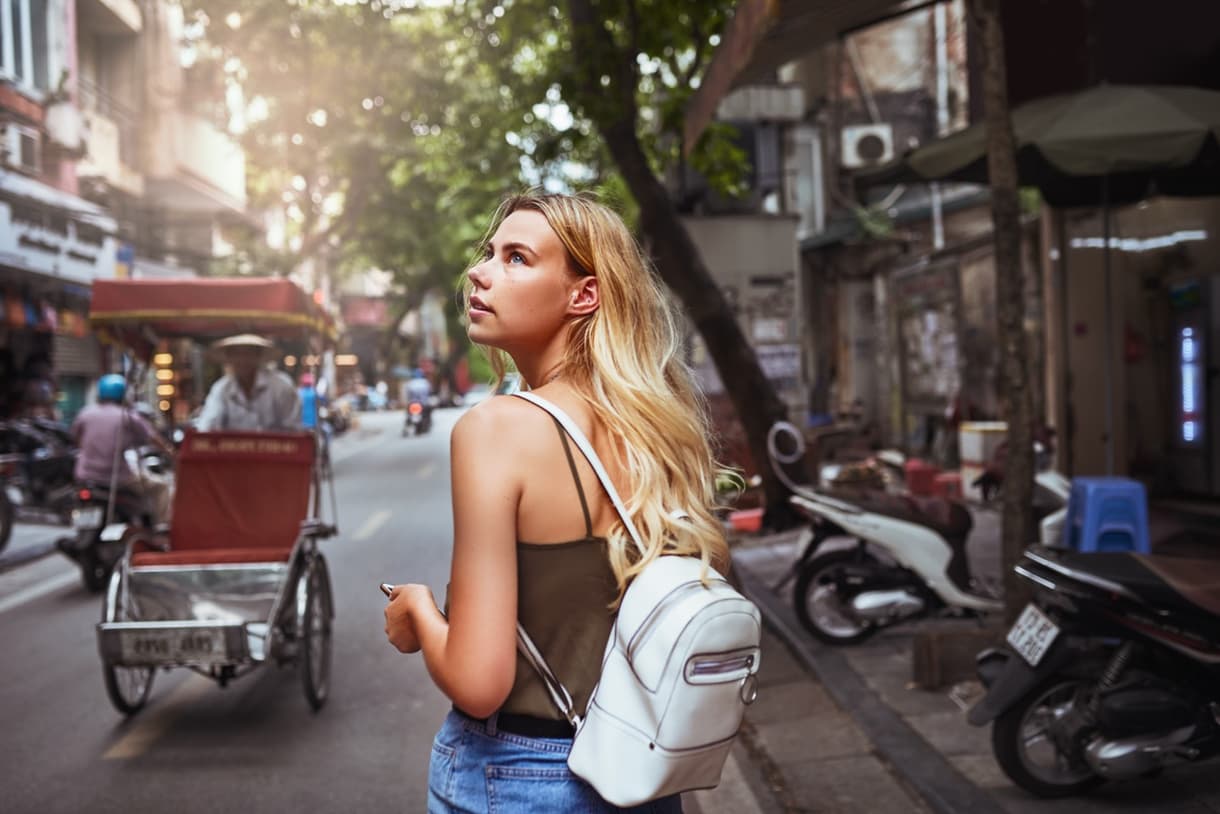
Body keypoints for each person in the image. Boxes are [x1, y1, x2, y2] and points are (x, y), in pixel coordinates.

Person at [383, 193, 729, 813]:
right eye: (488, 254)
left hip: (518, 778)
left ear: (584, 295)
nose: (480, 272)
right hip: (639, 776)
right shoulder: (657, 431)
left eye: (517, 258)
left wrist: (420, 614)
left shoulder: (495, 431)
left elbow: (479, 682)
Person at [70, 374, 174, 521]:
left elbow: (75, 438)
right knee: (161, 486)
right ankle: (162, 527)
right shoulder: (128, 416)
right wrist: (171, 452)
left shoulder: (86, 413)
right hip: (117, 478)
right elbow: (153, 438)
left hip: (85, 475)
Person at [196, 334, 301, 432]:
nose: (242, 360)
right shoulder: (221, 389)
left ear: (258, 356)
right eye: (236, 354)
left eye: (248, 354)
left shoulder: (281, 386)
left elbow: (293, 428)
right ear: (229, 358)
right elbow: (208, 424)